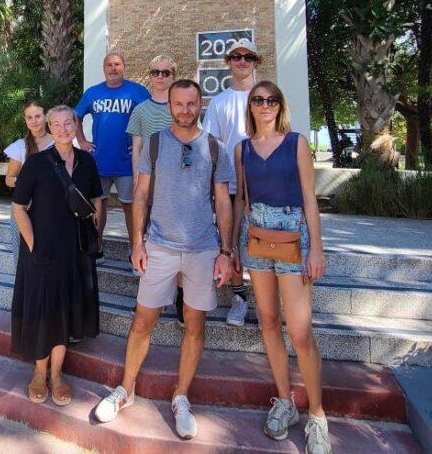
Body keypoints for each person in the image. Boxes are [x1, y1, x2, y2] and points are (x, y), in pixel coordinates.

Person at [93, 79, 235, 440]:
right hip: (159, 246)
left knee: (195, 325)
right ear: (168, 105)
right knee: (143, 321)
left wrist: (226, 252)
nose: (185, 110)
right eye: (178, 103)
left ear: (200, 104)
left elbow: (223, 202)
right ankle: (126, 390)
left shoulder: (216, 148)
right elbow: (139, 195)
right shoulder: (154, 143)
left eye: (191, 103)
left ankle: (181, 397)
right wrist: (137, 243)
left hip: (204, 248)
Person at [232, 81, 331, 454]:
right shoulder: (242, 149)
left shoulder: (296, 143)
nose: (265, 105)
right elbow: (241, 199)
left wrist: (316, 249)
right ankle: (284, 401)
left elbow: (310, 198)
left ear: (280, 105)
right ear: (251, 107)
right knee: (269, 323)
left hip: (294, 237)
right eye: (258, 100)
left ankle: (318, 415)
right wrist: (234, 246)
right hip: (256, 240)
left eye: (271, 99)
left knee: (301, 333)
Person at [11, 105, 103, 407]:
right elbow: (18, 208)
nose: (64, 129)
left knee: (66, 310)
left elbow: (96, 200)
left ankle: (58, 375)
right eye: (57, 124)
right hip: (42, 249)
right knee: (43, 310)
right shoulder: (36, 163)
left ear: (76, 126)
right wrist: (33, 244)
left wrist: (96, 234)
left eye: (69, 123)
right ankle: (39, 374)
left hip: (75, 250)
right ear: (49, 128)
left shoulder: (87, 162)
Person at [202, 38, 262, 327]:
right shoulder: (219, 101)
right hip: (230, 187)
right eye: (236, 56)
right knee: (232, 243)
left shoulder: (266, 98)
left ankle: (267, 303)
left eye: (248, 56)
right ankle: (239, 298)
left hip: (264, 187)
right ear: (228, 62)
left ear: (256, 62)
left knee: (265, 244)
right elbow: (211, 144)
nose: (241, 61)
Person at [125, 55, 184, 323]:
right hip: (150, 183)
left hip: (178, 187)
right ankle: (152, 299)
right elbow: (136, 148)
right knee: (148, 238)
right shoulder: (140, 110)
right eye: (155, 72)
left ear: (173, 76)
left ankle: (181, 298)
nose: (160, 77)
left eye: (166, 72)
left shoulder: (180, 108)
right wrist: (139, 181)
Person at [75, 52, 150, 257]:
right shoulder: (93, 93)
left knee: (130, 206)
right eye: (109, 64)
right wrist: (81, 141)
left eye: (117, 64)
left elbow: (152, 116)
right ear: (104, 68)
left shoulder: (137, 91)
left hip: (128, 162)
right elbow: (75, 117)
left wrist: (142, 145)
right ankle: (96, 246)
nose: (113, 68)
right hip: (99, 160)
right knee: (98, 204)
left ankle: (134, 248)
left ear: (124, 67)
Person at [4, 100, 55, 188]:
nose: (34, 121)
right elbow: (9, 179)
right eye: (29, 117)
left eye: (38, 116)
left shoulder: (58, 142)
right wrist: (27, 182)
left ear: (46, 117)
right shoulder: (19, 146)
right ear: (25, 120)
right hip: (30, 199)